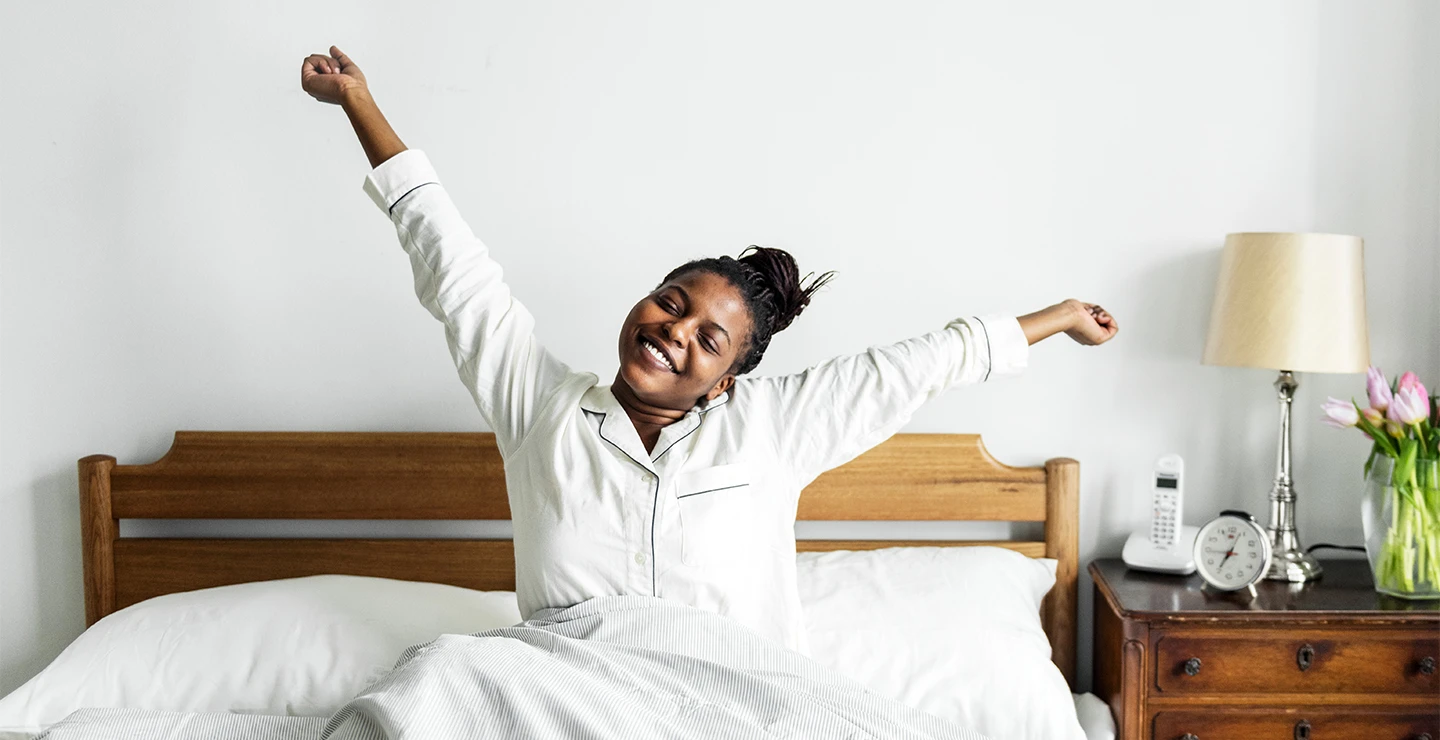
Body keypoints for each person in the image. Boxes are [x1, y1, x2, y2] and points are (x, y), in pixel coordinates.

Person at [301, 46, 1118, 654]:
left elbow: (918, 364)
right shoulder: (539, 408)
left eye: (707, 338)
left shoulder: (775, 426)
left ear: (728, 378)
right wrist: (359, 104)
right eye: (670, 303)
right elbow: (456, 271)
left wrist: (1060, 317)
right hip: (561, 693)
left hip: (733, 701)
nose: (671, 330)